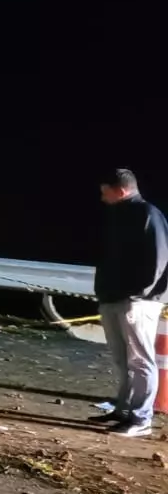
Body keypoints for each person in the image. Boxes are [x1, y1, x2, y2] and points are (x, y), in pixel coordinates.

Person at [87, 169, 167, 438]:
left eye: (104, 191)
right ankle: (123, 410)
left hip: (137, 301)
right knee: (123, 359)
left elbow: (159, 259)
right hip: (113, 298)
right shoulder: (119, 215)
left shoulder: (147, 214)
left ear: (120, 190)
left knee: (141, 359)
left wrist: (138, 293)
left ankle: (141, 418)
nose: (102, 196)